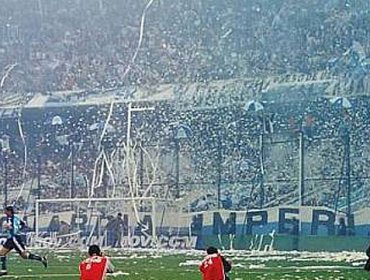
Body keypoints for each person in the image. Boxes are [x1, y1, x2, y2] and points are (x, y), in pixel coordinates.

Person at [0, 205, 47, 276]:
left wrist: (12, 228)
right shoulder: (12, 218)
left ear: (9, 211)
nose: (4, 212)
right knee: (1, 253)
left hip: (15, 239)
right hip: (10, 239)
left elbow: (17, 226)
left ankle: (41, 259)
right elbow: (22, 224)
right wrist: (13, 228)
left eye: (6, 211)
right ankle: (3, 270)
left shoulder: (12, 218)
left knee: (24, 255)